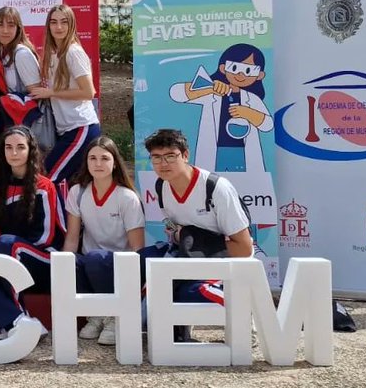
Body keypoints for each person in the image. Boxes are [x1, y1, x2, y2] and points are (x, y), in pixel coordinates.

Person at [142, 128, 253, 341]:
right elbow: (177, 231)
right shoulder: (161, 186)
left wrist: (194, 239)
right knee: (138, 264)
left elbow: (244, 248)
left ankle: (247, 319)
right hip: (189, 257)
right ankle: (174, 327)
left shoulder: (216, 188)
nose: (163, 164)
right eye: (156, 158)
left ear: (185, 155)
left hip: (224, 262)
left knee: (188, 294)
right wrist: (181, 237)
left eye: (170, 156)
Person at [0, 126, 64, 337]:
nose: (14, 153)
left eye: (20, 147)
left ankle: (13, 321)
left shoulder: (45, 186)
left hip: (42, 258)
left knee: (9, 245)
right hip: (9, 255)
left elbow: (49, 235)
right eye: (8, 147)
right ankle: (17, 321)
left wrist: (9, 250)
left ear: (30, 150)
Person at [62, 136, 144, 345]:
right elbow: (72, 239)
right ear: (86, 162)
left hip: (117, 265)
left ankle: (114, 316)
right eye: (93, 158)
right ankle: (96, 315)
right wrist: (62, 264)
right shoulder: (78, 192)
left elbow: (137, 248)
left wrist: (133, 283)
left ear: (115, 162)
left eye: (104, 158)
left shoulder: (127, 197)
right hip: (91, 261)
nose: (98, 164)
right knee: (69, 262)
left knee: (96, 258)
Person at [168, 43, 271, 172]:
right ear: (223, 68)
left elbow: (267, 125)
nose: (240, 75)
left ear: (260, 75)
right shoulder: (212, 93)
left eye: (248, 70)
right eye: (234, 67)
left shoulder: (252, 99)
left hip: (243, 154)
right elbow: (176, 93)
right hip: (214, 153)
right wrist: (208, 88)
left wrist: (248, 113)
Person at [33, 4, 101, 184]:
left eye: (64, 22)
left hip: (81, 127)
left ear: (71, 25)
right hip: (67, 130)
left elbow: (89, 92)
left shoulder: (73, 52)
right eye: (54, 22)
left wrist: (51, 92)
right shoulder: (53, 53)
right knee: (70, 184)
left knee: (47, 178)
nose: (59, 27)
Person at [0, 6, 43, 132]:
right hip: (12, 121)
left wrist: (0, 101)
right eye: (0, 25)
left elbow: (37, 95)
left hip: (27, 124)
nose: (5, 30)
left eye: (11, 25)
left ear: (18, 29)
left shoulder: (21, 54)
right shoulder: (2, 53)